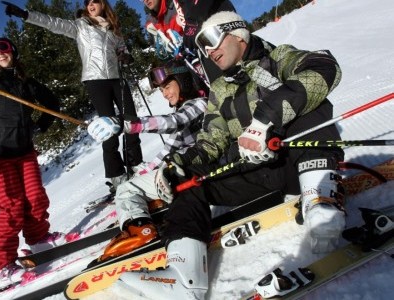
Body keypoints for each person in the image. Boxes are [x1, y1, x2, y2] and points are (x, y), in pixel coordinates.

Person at [116, 11, 345, 299]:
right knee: (187, 180)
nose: (209, 52)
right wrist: (179, 164)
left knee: (310, 103)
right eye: (203, 47)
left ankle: (320, 201)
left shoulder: (278, 59)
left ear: (238, 34)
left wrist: (265, 122)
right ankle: (184, 279)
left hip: (296, 161)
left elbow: (324, 67)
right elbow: (211, 141)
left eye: (212, 40)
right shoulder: (221, 89)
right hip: (254, 171)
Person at [0, 37, 66, 289]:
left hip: (25, 151)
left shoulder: (24, 83)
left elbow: (51, 103)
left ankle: (38, 239)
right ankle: (0, 268)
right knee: (10, 209)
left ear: (13, 51)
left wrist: (40, 126)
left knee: (35, 198)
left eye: (3, 48)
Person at [3, 0, 143, 192]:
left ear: (103, 4)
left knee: (131, 121)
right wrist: (26, 15)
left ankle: (136, 164)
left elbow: (123, 50)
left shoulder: (113, 29)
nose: (90, 5)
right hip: (96, 81)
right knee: (108, 128)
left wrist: (126, 56)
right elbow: (53, 23)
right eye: (87, 3)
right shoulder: (81, 26)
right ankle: (117, 175)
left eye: (94, 1)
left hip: (118, 78)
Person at [87, 60, 207, 261]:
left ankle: (140, 231)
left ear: (183, 80)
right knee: (137, 181)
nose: (165, 94)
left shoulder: (199, 104)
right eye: (161, 90)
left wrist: (125, 124)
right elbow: (171, 149)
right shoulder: (190, 108)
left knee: (126, 190)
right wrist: (149, 169)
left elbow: (172, 123)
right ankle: (149, 211)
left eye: (167, 86)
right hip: (185, 170)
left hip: (191, 173)